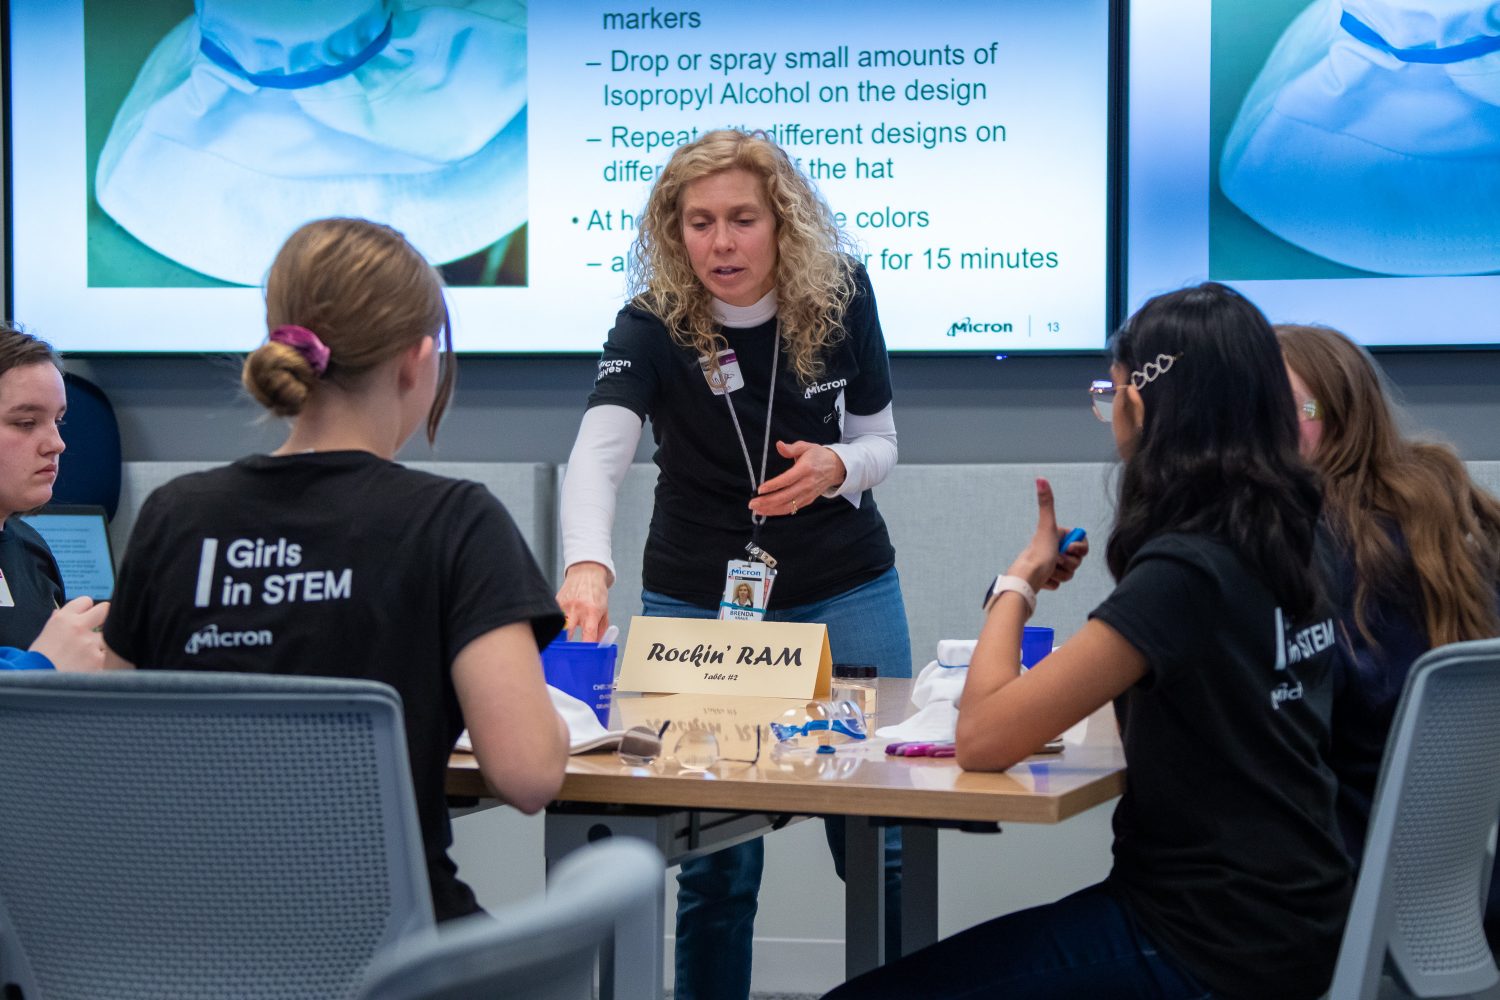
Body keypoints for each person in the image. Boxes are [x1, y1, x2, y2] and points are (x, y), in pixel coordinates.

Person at [827, 283, 1353, 1000]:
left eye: (1114, 392)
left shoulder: (1187, 569)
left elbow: (982, 737)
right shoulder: (1301, 535)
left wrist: (1019, 581)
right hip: (1299, 918)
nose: (1111, 413)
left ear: (1147, 405)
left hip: (1201, 939)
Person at [102, 217, 568, 922]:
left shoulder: (174, 517)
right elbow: (529, 774)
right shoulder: (454, 524)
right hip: (389, 951)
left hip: (182, 946)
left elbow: (116, 754)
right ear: (416, 359)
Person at [556, 128, 911, 1000]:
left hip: (846, 587)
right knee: (714, 861)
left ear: (780, 223)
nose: (721, 243)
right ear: (674, 232)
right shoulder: (651, 325)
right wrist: (586, 568)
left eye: (743, 219)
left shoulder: (842, 296)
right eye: (700, 222)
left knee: (885, 843)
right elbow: (598, 455)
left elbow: (883, 443)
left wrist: (838, 468)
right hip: (699, 606)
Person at [1278, 322, 1500, 950]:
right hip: (1455, 903)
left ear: (1340, 416)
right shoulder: (1447, 529)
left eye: (1286, 407)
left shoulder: (1324, 553)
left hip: (1333, 897)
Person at [0, 324, 109, 670]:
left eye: (58, 421)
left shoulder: (31, 549)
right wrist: (41, 665)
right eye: (26, 422)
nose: (57, 444)